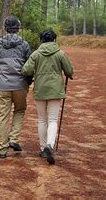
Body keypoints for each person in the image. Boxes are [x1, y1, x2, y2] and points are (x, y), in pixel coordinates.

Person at [22, 29, 73, 165]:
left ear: (41, 40)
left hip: (40, 89)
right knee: (52, 120)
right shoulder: (60, 54)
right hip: (55, 90)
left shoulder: (36, 54)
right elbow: (69, 71)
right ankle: (50, 145)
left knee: (42, 120)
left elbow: (26, 70)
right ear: (54, 40)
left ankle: (43, 148)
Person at [0, 16, 31, 158]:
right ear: (18, 28)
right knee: (19, 111)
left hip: (3, 86)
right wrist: (28, 82)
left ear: (5, 28)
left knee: (2, 116)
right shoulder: (24, 45)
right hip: (20, 85)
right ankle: (13, 139)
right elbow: (28, 66)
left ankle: (2, 149)